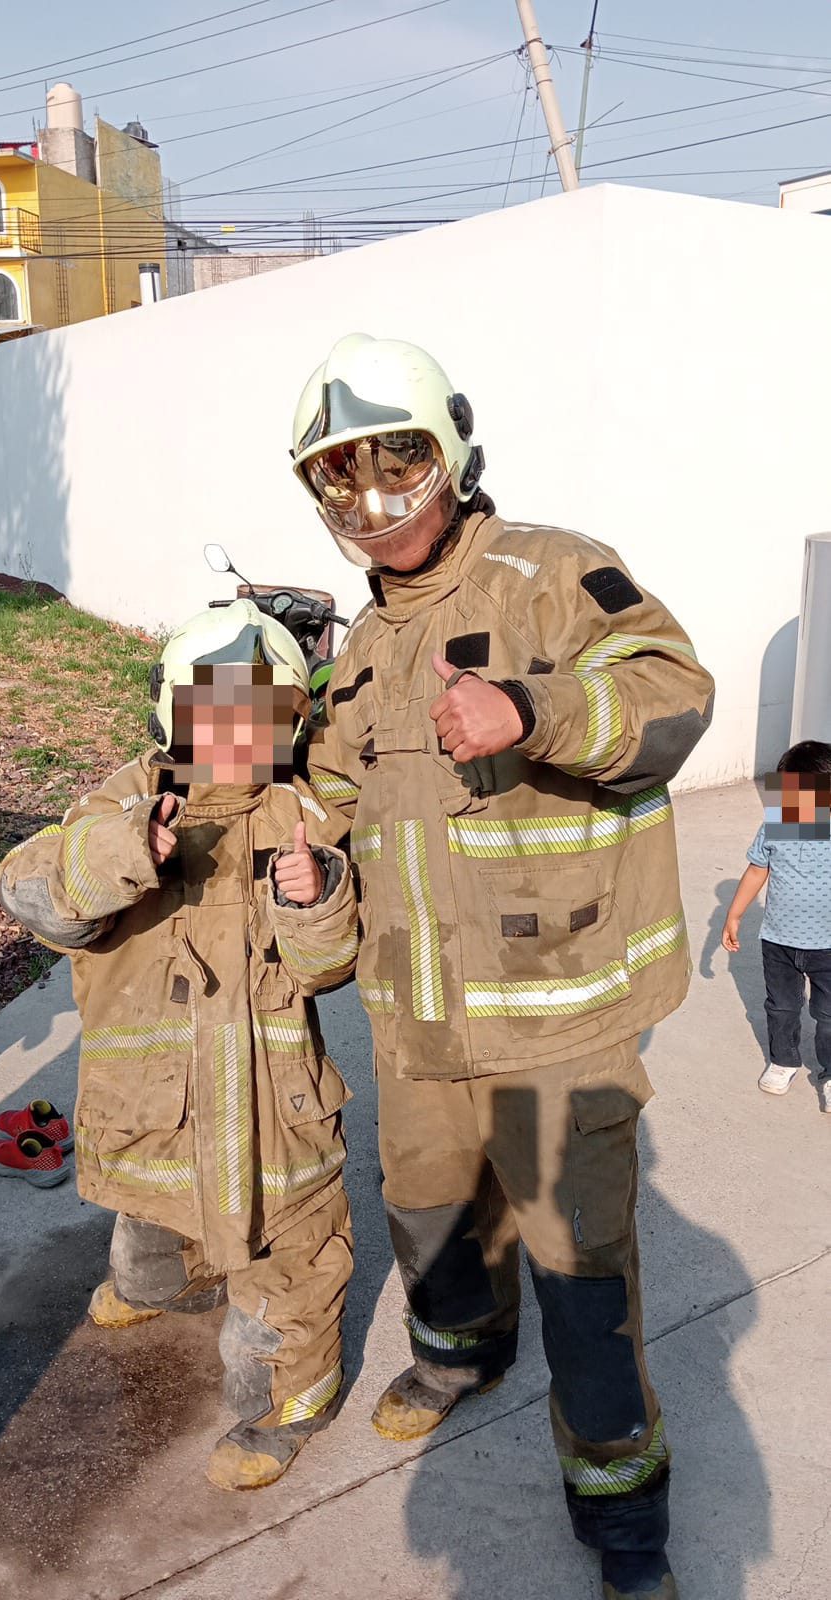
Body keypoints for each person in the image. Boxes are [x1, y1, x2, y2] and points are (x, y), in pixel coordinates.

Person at [291, 334, 716, 1600]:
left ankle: (622, 1508)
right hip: (417, 1018)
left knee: (583, 1275)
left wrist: (536, 712)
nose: (374, 504)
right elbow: (333, 785)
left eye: (397, 462)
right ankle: (457, 1354)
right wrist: (307, 847)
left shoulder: (548, 571)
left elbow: (671, 689)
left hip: (553, 1026)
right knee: (430, 1217)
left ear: (452, 446)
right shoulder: (362, 646)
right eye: (341, 480)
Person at [0, 600, 358, 1491]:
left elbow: (330, 966)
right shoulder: (125, 795)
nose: (235, 733)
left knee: (287, 1258)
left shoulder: (301, 812)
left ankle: (290, 1398)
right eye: (212, 709)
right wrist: (123, 850)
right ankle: (171, 1280)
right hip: (150, 1102)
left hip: (274, 1110)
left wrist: (317, 896)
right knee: (149, 1234)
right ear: (170, 710)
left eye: (260, 712)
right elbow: (30, 892)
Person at [722, 739, 831, 1112]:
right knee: (781, 1008)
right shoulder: (777, 823)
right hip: (779, 940)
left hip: (828, 944)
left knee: (828, 1014)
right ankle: (784, 1060)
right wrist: (734, 914)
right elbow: (757, 870)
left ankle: (830, 1072)